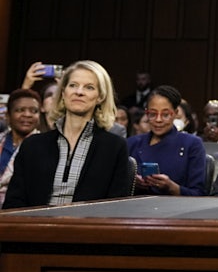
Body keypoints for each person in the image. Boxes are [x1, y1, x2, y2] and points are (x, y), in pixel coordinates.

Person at [3, 60, 131, 209]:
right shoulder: (32, 145)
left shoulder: (114, 147)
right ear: (63, 92)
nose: (79, 92)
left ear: (100, 97)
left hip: (88, 228)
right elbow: (13, 203)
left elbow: (116, 208)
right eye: (73, 85)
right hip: (35, 228)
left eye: (89, 87)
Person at [127, 85, 207, 196]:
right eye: (153, 114)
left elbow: (199, 194)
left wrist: (172, 187)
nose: (158, 120)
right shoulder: (132, 144)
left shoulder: (191, 144)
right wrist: (132, 182)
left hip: (176, 209)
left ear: (175, 113)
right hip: (134, 208)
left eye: (165, 115)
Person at [0, 89, 42, 206]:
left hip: (19, 210)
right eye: (20, 110)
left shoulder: (45, 146)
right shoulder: (1, 140)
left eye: (33, 111)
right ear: (8, 115)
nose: (27, 115)